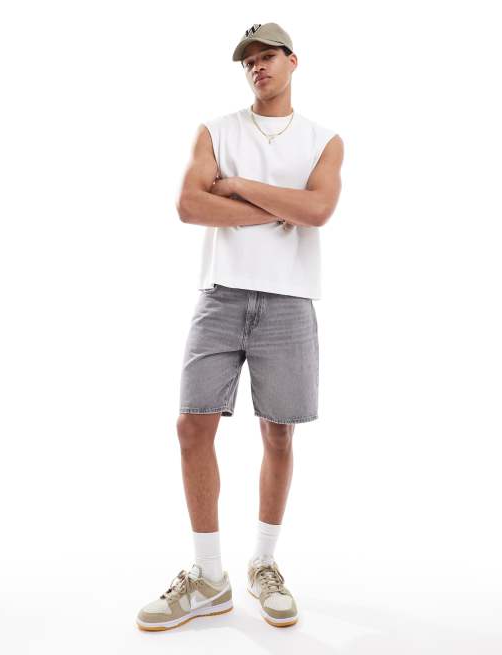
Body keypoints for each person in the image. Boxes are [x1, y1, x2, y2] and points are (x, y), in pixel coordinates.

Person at [136, 22, 344, 632]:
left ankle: (263, 564)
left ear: (292, 61)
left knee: (279, 434)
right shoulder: (216, 130)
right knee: (191, 425)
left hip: (290, 302)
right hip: (221, 295)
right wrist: (280, 205)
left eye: (268, 56)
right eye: (248, 60)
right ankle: (208, 577)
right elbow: (188, 205)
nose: (258, 66)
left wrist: (239, 190)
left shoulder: (323, 140)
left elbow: (319, 209)